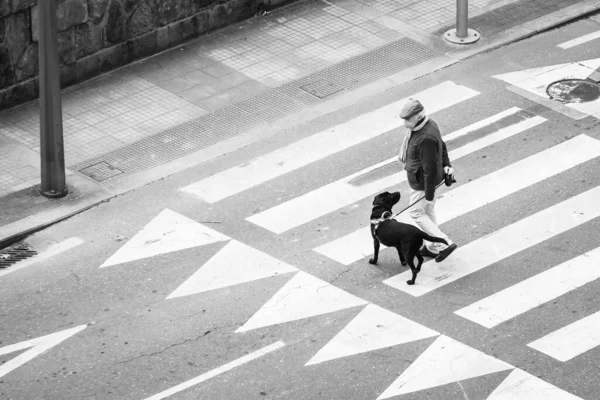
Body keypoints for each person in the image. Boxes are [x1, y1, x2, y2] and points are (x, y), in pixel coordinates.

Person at [397, 98, 458, 262]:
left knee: (416, 213)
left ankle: (444, 244)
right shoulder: (428, 124)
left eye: (408, 119)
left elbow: (429, 169)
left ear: (417, 117)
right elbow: (442, 146)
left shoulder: (424, 137)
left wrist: (428, 193)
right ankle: (433, 247)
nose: (405, 123)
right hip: (427, 181)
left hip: (423, 184)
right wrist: (447, 164)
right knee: (427, 212)